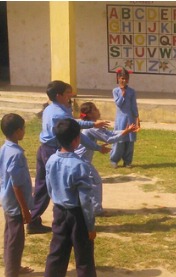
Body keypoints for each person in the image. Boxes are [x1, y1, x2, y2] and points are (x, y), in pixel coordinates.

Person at [28, 80, 110, 234]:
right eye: (67, 93)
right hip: (52, 151)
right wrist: (93, 124)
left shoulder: (50, 108)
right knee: (60, 188)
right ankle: (63, 221)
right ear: (59, 95)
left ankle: (34, 220)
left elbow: (75, 131)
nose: (70, 96)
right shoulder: (59, 113)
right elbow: (74, 125)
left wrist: (97, 147)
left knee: (42, 187)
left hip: (43, 149)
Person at [44, 118, 97, 277]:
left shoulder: (51, 160)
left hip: (59, 211)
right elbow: (86, 201)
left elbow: (49, 187)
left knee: (57, 253)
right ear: (76, 140)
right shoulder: (80, 165)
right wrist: (91, 226)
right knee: (84, 256)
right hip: (77, 215)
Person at [75, 102, 138, 215]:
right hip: (81, 160)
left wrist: (126, 130)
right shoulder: (91, 127)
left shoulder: (93, 125)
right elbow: (109, 139)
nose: (98, 110)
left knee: (85, 183)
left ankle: (85, 207)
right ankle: (96, 210)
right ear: (89, 114)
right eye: (95, 109)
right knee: (96, 181)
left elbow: (111, 133)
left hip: (82, 160)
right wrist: (125, 132)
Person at [0, 114, 34, 276]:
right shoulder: (16, 154)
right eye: (23, 129)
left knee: (10, 236)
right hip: (15, 204)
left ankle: (13, 266)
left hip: (7, 201)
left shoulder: (5, 148)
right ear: (17, 131)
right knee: (16, 240)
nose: (24, 131)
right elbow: (17, 185)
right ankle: (11, 272)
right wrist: (25, 209)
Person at [111, 67, 140, 169]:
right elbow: (118, 104)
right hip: (120, 120)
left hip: (130, 119)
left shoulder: (132, 91)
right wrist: (122, 95)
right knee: (120, 140)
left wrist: (137, 118)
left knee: (130, 141)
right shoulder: (115, 91)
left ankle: (127, 161)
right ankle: (114, 159)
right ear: (118, 78)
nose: (124, 81)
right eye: (122, 78)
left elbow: (134, 105)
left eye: (126, 79)